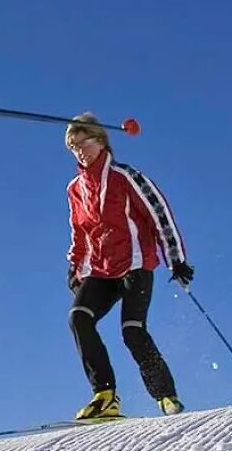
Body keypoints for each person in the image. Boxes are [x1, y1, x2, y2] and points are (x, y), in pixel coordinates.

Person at [63, 113, 193, 421]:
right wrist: (75, 268)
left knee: (132, 331)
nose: (80, 150)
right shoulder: (75, 189)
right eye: (73, 146)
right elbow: (80, 232)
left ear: (101, 140)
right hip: (100, 269)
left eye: (85, 142)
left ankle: (165, 395)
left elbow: (158, 214)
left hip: (135, 264)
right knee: (78, 318)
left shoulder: (124, 176)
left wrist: (177, 261)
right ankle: (105, 396)